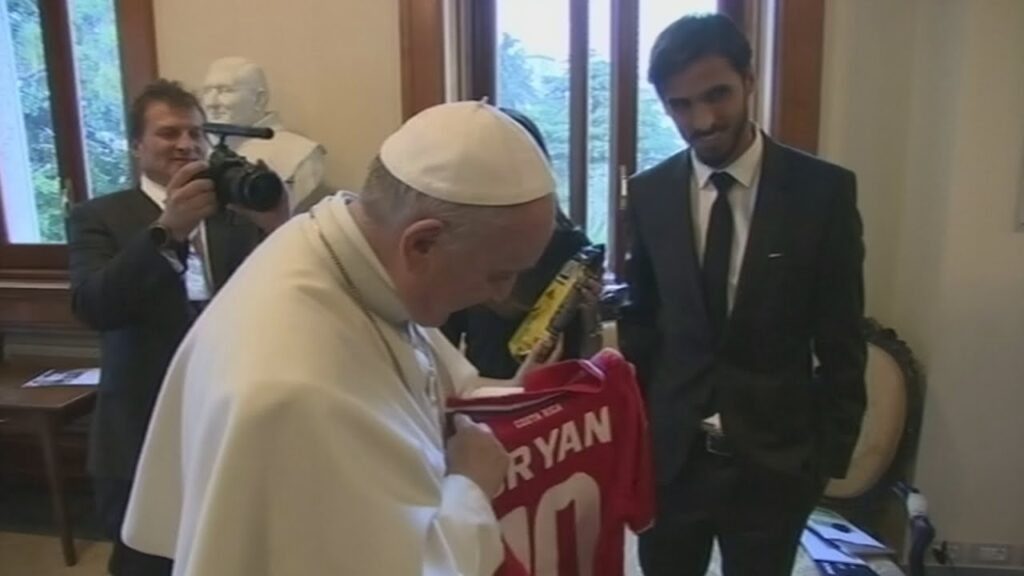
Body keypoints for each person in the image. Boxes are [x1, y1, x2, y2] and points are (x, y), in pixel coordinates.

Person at [121, 101, 560, 575]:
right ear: (422, 243)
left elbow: (428, 378)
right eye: (499, 274)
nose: (503, 295)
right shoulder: (294, 389)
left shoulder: (341, 250)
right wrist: (471, 487)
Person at [618, 14, 867, 576]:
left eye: (717, 95)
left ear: (750, 80)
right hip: (673, 464)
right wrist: (643, 442)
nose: (702, 120)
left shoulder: (823, 193)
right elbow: (642, 326)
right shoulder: (650, 194)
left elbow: (842, 339)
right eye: (681, 105)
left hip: (775, 470)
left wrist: (821, 464)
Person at [66, 79, 289, 576]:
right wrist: (168, 231)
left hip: (232, 419)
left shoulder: (238, 213)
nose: (186, 144)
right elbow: (94, 307)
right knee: (145, 559)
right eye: (168, 133)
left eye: (195, 133)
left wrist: (279, 222)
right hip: (138, 427)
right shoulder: (98, 216)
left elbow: (289, 293)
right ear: (137, 144)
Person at [441, 108, 599, 378]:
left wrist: (591, 312)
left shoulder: (571, 246)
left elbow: (585, 353)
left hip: (560, 396)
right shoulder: (461, 245)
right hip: (488, 398)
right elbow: (443, 354)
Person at [201, 56, 327, 212]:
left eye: (226, 91)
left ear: (259, 99)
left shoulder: (300, 154)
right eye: (207, 91)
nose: (211, 103)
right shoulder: (195, 148)